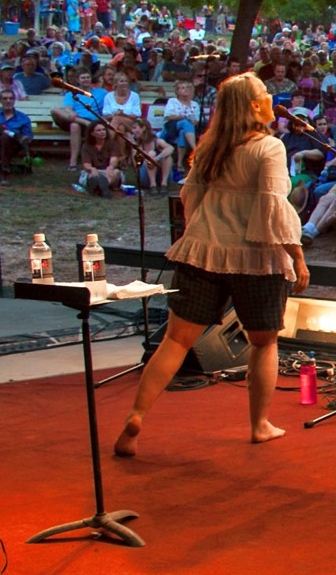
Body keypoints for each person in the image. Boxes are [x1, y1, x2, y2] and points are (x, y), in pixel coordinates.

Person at [115, 73, 309, 458]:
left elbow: (190, 198)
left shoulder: (208, 147)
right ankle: (260, 425)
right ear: (253, 106)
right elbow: (273, 207)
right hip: (255, 256)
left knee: (175, 341)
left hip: (203, 250)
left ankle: (137, 415)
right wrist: (297, 256)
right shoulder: (268, 147)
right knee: (263, 342)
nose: (271, 98)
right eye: (264, 93)